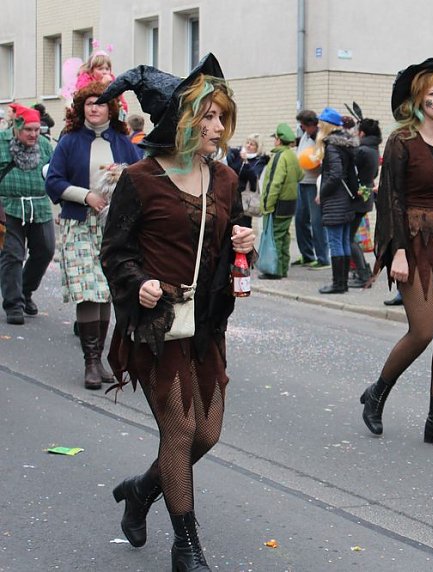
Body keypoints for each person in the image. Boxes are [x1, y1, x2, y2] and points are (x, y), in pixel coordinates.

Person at [97, 54, 255, 570]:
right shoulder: (141, 179)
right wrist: (137, 282)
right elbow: (114, 251)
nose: (216, 126)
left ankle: (142, 491)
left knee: (207, 434)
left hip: (205, 325)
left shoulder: (226, 180)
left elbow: (234, 244)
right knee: (180, 432)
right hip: (156, 326)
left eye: (220, 116)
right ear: (181, 122)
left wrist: (245, 244)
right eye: (205, 116)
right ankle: (186, 545)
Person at [361, 58, 433, 450]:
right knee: (423, 330)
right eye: (432, 93)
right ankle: (377, 393)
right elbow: (390, 199)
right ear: (417, 101)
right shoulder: (401, 142)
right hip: (412, 241)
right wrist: (396, 252)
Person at [44, 82, 141, 390]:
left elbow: (143, 176)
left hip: (112, 227)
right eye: (89, 104)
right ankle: (90, 362)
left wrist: (121, 174)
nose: (95, 108)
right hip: (79, 223)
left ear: (111, 108)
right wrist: (86, 196)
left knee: (105, 290)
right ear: (81, 108)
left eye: (100, 103)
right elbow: (54, 181)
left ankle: (100, 359)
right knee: (88, 291)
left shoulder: (124, 142)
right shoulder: (70, 141)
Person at [0, 104, 55, 325]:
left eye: (37, 129)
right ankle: (13, 304)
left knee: (46, 250)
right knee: (12, 255)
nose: (34, 134)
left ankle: (25, 290)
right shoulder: (1, 143)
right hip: (7, 207)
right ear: (17, 127)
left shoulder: (44, 145)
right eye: (28, 130)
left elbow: (55, 173)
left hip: (39, 206)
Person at [316, 107, 358, 294]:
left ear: (326, 126)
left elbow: (335, 174)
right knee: (343, 241)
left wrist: (322, 193)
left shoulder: (332, 146)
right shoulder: (346, 144)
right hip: (346, 199)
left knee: (335, 242)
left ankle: (338, 284)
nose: (317, 126)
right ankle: (343, 283)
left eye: (320, 123)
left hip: (335, 200)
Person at [258, 123, 299, 279]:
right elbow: (300, 175)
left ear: (279, 140)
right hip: (290, 204)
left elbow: (274, 184)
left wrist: (267, 205)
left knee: (275, 237)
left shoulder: (279, 157)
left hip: (278, 205)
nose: (274, 140)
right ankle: (283, 268)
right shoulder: (292, 156)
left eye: (275, 137)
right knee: (284, 236)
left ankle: (275, 271)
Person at [294, 109, 330, 269]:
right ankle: (307, 255)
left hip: (313, 184)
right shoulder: (305, 135)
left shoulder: (320, 138)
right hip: (301, 181)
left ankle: (323, 258)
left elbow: (322, 160)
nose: (302, 128)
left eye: (304, 126)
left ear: (312, 125)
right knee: (300, 220)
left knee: (316, 222)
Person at [349, 117, 381, 289]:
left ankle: (363, 274)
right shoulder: (374, 149)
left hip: (359, 196)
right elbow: (374, 174)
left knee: (349, 238)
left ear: (362, 133)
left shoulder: (362, 150)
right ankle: (364, 272)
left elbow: (352, 173)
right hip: (366, 194)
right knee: (351, 237)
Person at [226, 133, 270, 229]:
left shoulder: (259, 160)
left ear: (257, 147)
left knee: (243, 226)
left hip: (245, 198)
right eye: (247, 142)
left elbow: (253, 177)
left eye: (252, 144)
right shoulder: (238, 154)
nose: (248, 146)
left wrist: (245, 162)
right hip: (232, 194)